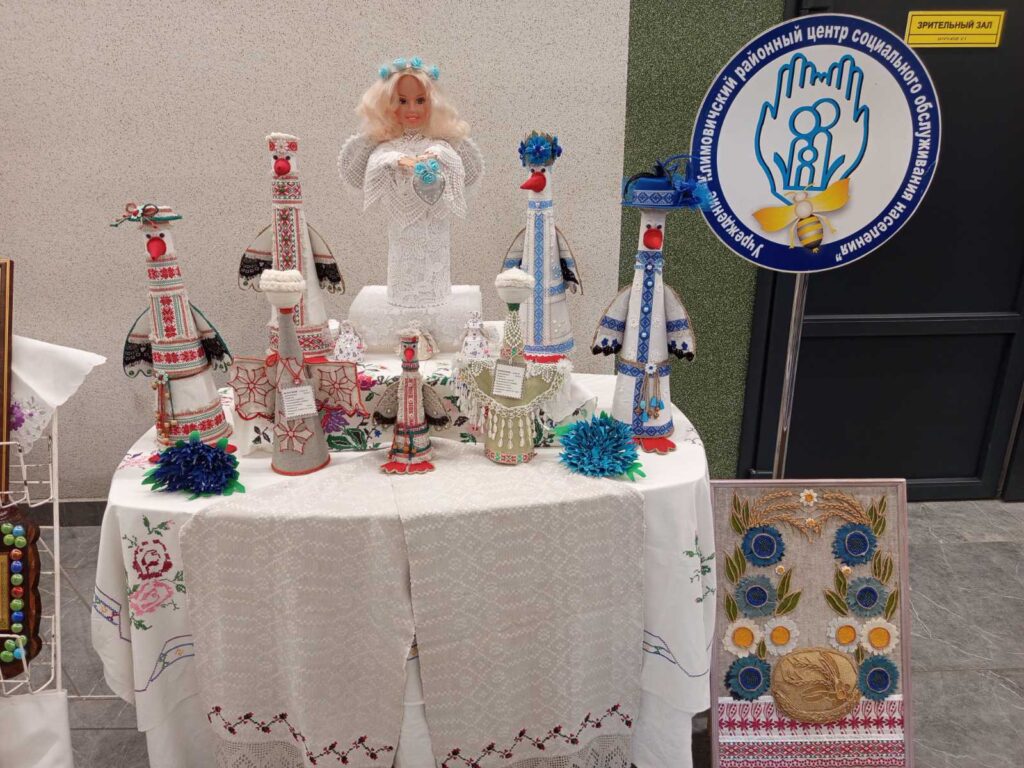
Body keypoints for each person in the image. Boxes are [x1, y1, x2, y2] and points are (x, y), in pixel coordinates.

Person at [338, 57, 484, 309]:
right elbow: (377, 161)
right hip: (401, 235)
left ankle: (434, 291)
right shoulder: (388, 147)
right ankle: (404, 293)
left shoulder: (439, 144)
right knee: (403, 257)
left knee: (433, 258)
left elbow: (453, 161)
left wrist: (435, 154)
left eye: (420, 100)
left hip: (434, 234)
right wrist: (398, 160)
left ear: (433, 104)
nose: (412, 109)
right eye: (402, 101)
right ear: (388, 105)